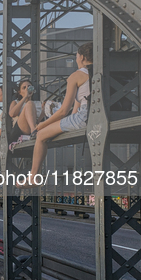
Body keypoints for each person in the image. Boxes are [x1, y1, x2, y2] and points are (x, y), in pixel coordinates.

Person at [22, 42, 93, 187]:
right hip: (96, 114)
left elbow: (63, 111)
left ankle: (33, 177)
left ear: (82, 57)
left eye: (76, 56)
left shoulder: (76, 75)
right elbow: (74, 110)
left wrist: (42, 125)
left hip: (85, 117)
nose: (76, 59)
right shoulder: (98, 73)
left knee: (41, 135)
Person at [7, 79, 45, 144]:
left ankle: (34, 131)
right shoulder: (16, 102)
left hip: (36, 126)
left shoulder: (39, 103)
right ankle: (34, 131)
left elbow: (38, 121)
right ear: (20, 92)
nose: (27, 89)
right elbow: (12, 114)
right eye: (24, 88)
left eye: (29, 86)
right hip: (19, 130)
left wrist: (44, 111)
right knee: (30, 104)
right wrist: (25, 97)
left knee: (33, 104)